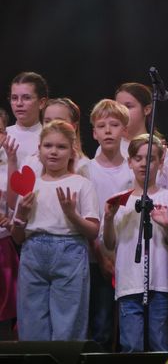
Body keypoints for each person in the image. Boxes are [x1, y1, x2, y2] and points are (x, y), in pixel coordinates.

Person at [12, 120, 100, 341]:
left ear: (71, 152)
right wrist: (21, 215)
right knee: (31, 321)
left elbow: (93, 231)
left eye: (61, 147)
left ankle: (64, 357)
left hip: (69, 252)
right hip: (33, 253)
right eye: (48, 145)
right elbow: (18, 238)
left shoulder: (82, 184)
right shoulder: (30, 185)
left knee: (68, 323)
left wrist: (72, 215)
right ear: (39, 149)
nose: (53, 152)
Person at [102, 134, 168, 352]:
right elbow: (109, 243)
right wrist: (108, 219)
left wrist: (166, 225)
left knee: (160, 344)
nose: (144, 163)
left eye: (150, 158)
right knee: (131, 345)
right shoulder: (119, 199)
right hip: (129, 282)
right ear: (130, 162)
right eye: (138, 158)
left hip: (160, 281)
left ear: (160, 163)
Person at [87, 99, 133, 351]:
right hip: (97, 258)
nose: (108, 131)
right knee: (101, 325)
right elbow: (86, 217)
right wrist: (101, 256)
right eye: (101, 126)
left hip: (127, 255)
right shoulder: (86, 170)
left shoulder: (132, 169)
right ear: (94, 132)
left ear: (124, 130)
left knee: (129, 325)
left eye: (114, 125)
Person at [6, 72, 48, 168]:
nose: (19, 103)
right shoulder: (3, 135)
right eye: (14, 98)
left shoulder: (50, 140)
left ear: (41, 103)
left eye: (26, 98)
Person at [0, 108, 17, 340]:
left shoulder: (9, 165)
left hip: (4, 245)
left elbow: (14, 203)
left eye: (0, 130)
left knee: (5, 314)